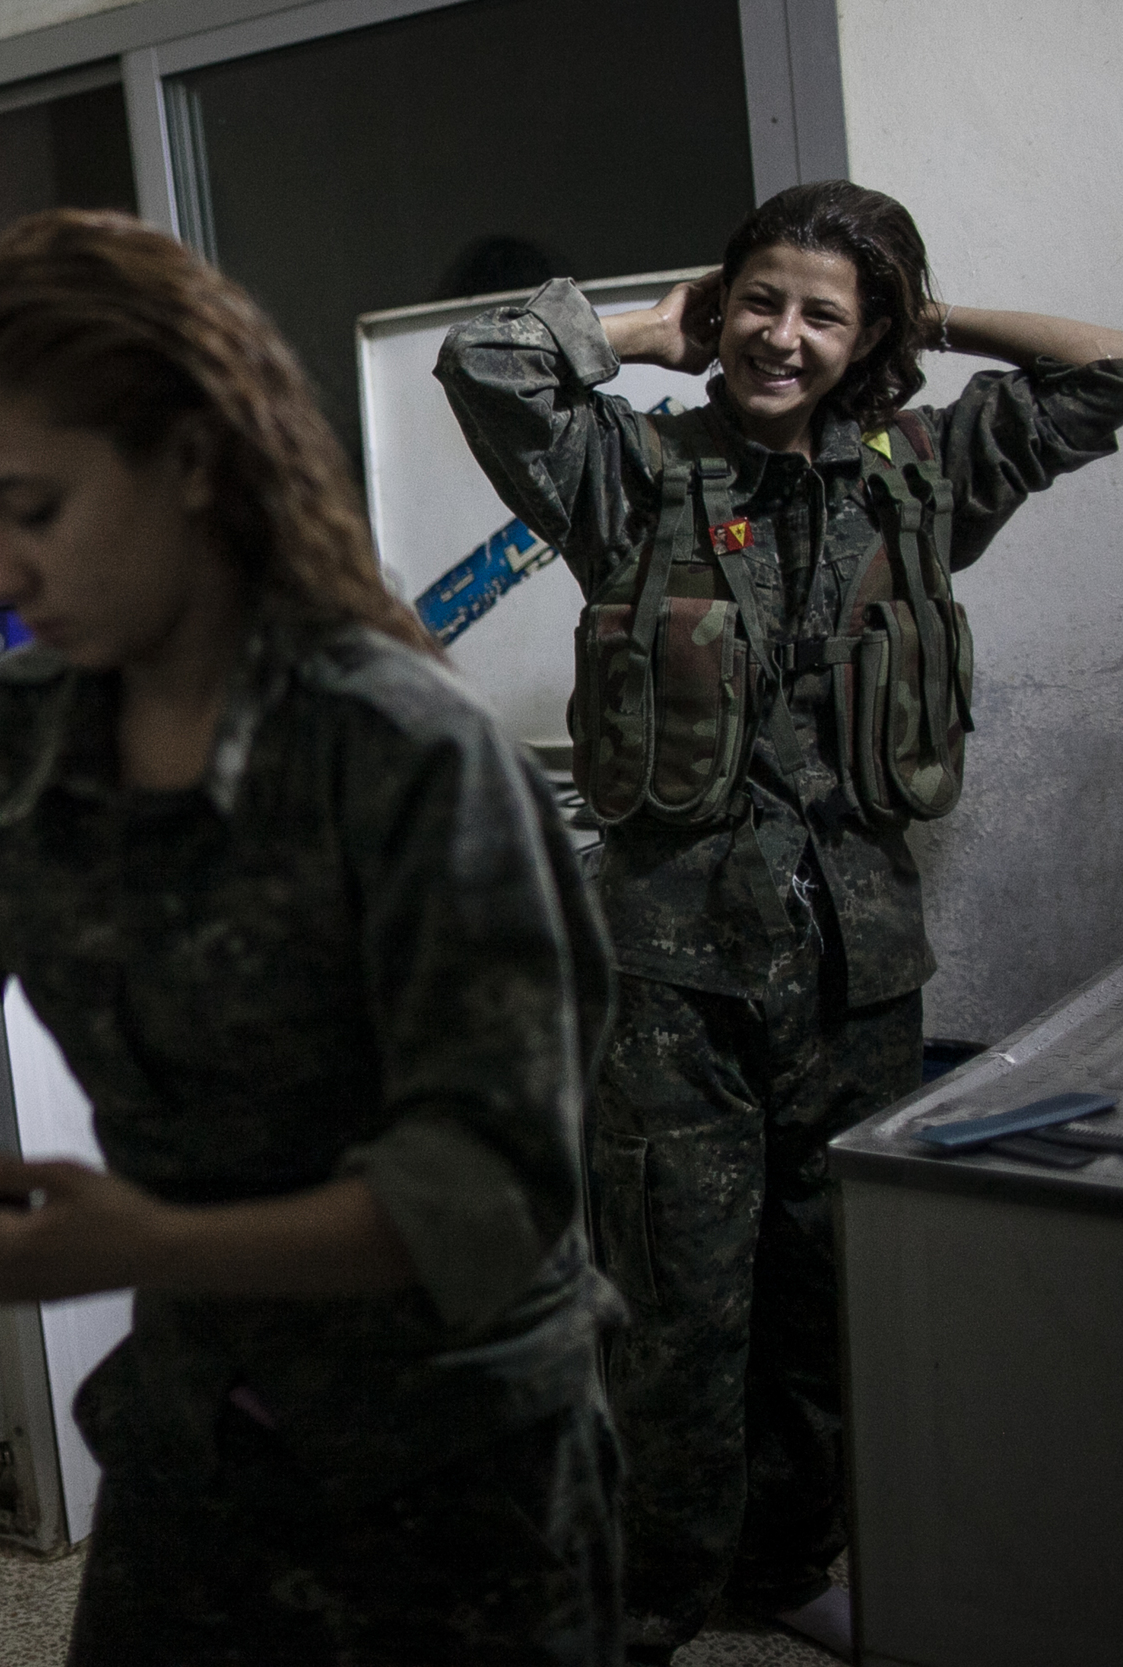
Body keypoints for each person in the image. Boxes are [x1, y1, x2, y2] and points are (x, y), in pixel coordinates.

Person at [0, 208, 624, 1666]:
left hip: (451, 1466)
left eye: (35, 508)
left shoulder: (404, 756)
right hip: (200, 1433)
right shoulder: (4, 751)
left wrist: (151, 1237)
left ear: (191, 462)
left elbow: (486, 1183)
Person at [435, 180, 1123, 1663]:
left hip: (860, 974)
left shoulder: (926, 471)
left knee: (825, 1298)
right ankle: (654, 1588)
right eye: (761, 299)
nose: (782, 335)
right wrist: (650, 324)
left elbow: (1114, 370)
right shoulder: (625, 473)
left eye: (825, 312)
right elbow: (485, 361)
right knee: (676, 1310)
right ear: (720, 300)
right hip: (671, 981)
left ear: (870, 333)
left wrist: (924, 318)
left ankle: (786, 1556)